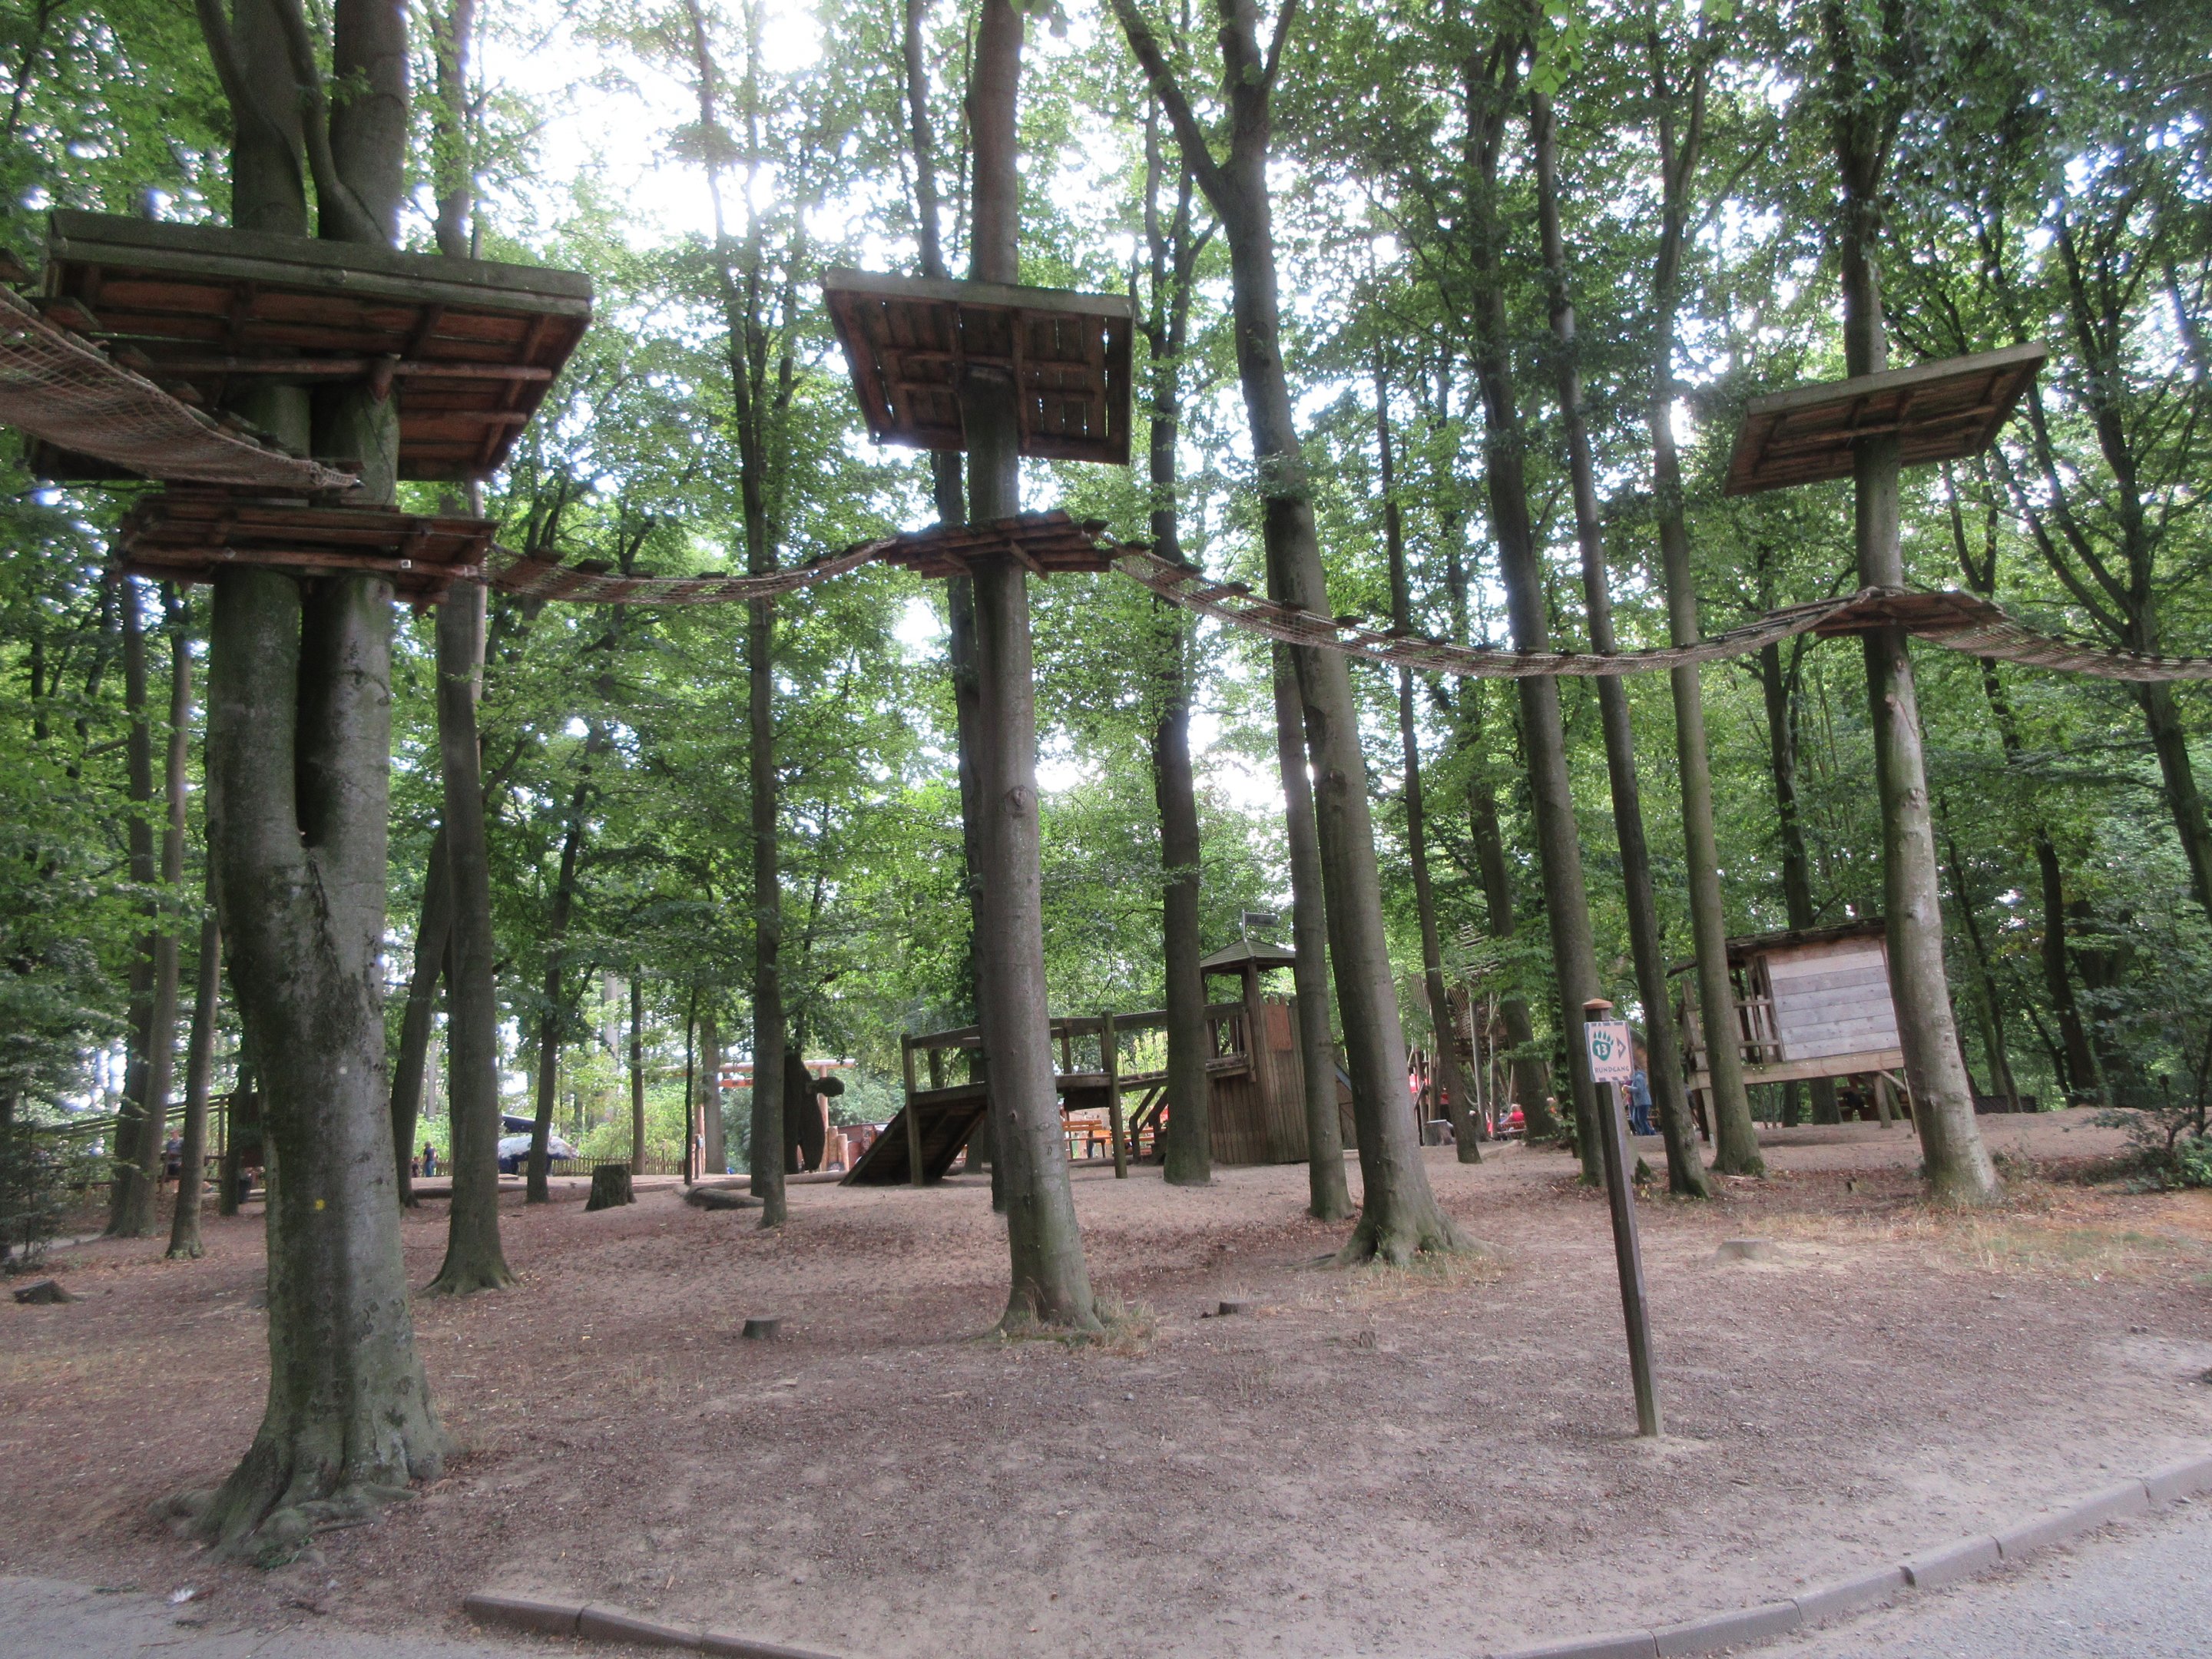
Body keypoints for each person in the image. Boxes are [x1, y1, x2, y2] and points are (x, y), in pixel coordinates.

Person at [1627, 1066, 1654, 1137]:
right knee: (1635, 1119)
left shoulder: (1639, 1078)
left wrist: (1628, 1088)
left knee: (1641, 1119)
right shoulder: (1634, 1078)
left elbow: (1639, 1089)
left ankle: (1648, 1133)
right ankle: (1642, 1133)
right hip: (1638, 1102)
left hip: (1643, 1101)